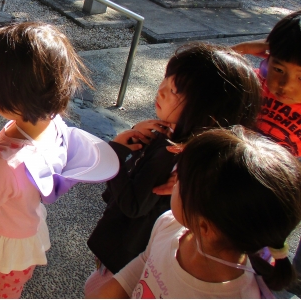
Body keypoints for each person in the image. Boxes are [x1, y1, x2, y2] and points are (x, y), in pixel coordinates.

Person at [0, 22, 119, 299]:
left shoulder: (5, 164)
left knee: (0, 294)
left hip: (4, 247)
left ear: (15, 96)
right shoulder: (52, 122)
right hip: (24, 228)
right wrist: (1, 102)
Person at [85, 43, 262, 293]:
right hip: (144, 250)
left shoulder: (171, 153)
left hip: (126, 251)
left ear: (204, 110)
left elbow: (132, 204)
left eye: (173, 90)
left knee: (99, 287)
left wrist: (115, 153)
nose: (160, 90)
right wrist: (137, 136)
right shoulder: (193, 147)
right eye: (165, 80)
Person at [87, 127, 301, 298]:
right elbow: (142, 265)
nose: (173, 183)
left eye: (179, 179)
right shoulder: (169, 224)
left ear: (205, 226)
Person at [232, 10, 301, 283]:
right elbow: (212, 72)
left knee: (246, 265)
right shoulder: (256, 83)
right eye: (279, 69)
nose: (284, 85)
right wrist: (243, 49)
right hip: (228, 182)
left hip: (264, 201)